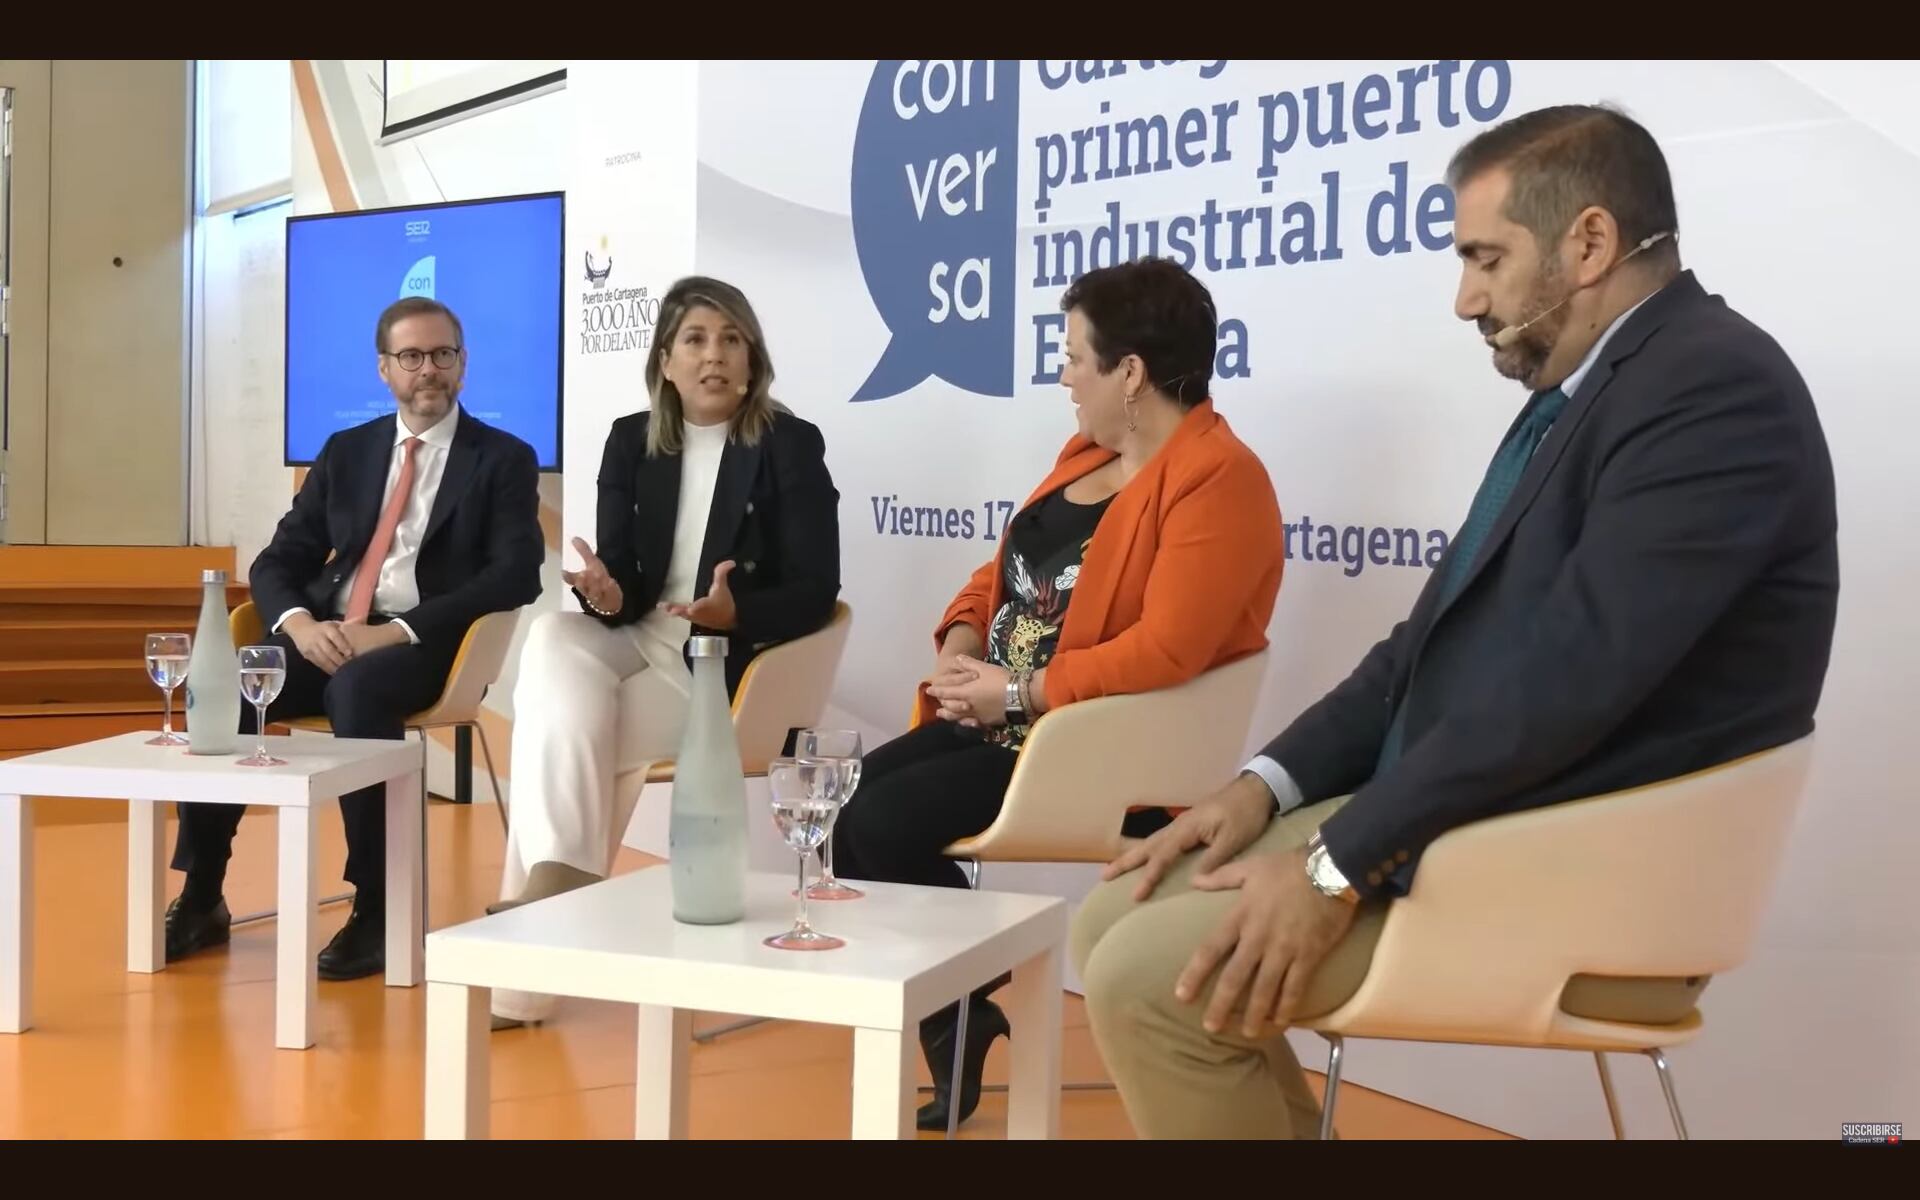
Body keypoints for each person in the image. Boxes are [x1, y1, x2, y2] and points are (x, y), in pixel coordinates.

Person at [1072, 103, 1840, 1139]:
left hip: (1577, 868)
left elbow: (1568, 684)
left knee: (1145, 978)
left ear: (1591, 242)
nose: (1464, 297)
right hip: (1471, 818)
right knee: (1108, 920)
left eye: (1486, 258)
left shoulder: (1713, 390)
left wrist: (1335, 863)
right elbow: (1418, 653)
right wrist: (1262, 790)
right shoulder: (1587, 394)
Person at [830, 256, 1286, 1129]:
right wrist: (965, 640)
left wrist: (1023, 692)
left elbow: (1167, 650)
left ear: (1132, 373)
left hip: (1091, 748)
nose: (1065, 377)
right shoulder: (1086, 454)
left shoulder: (1219, 477)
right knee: (853, 802)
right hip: (1008, 723)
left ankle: (959, 1010)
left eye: (1076, 356)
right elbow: (1004, 572)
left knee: (881, 825)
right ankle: (962, 1014)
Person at [488, 276, 841, 1029]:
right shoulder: (631, 439)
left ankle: (539, 936)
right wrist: (605, 592)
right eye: (696, 339)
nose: (714, 356)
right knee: (553, 639)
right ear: (666, 360)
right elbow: (625, 580)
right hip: (638, 640)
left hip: (722, 674)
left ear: (752, 358)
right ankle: (565, 894)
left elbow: (818, 588)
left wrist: (736, 610)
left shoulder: (789, 443)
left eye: (731, 339)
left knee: (572, 734)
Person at [166, 297, 545, 980]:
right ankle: (201, 894)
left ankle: (377, 906)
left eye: (443, 355)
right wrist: (301, 627)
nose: (428, 370)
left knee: (359, 690)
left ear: (463, 365)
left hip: (428, 645)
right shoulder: (348, 451)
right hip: (328, 634)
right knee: (225, 682)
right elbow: (276, 561)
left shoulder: (503, 459)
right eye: (412, 357)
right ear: (384, 369)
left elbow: (514, 574)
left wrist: (393, 631)